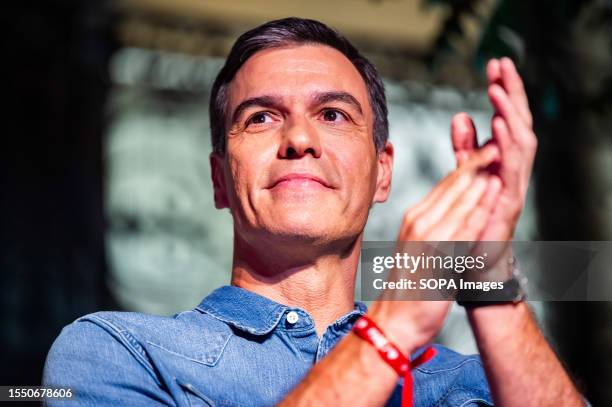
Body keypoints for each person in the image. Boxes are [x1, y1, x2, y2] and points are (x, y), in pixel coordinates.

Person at [43, 17, 586, 406]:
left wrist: (488, 282)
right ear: (219, 181)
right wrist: (387, 332)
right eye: (259, 118)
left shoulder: (475, 385)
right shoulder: (115, 353)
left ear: (383, 172)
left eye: (332, 114)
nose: (299, 138)